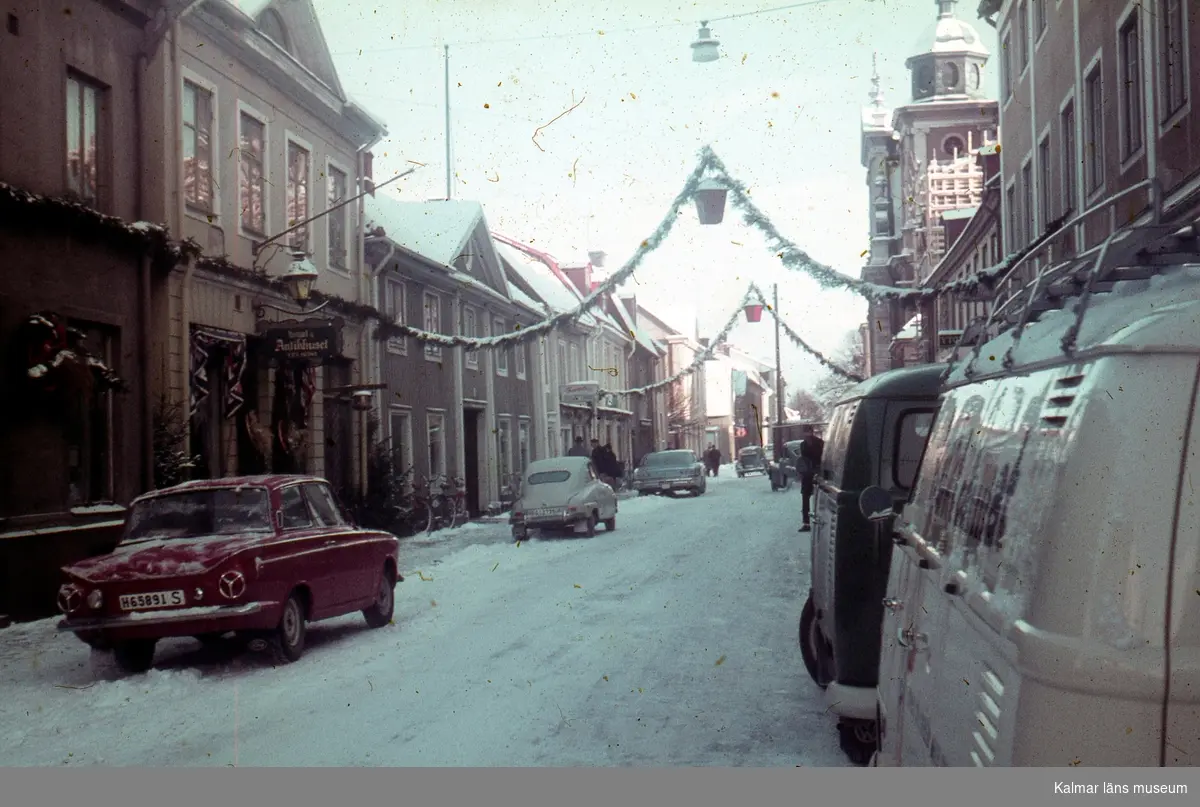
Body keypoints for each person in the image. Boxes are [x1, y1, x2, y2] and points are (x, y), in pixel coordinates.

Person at [797, 425, 825, 533]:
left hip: (817, 473)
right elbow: (804, 459)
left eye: (808, 432)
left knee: (819, 499)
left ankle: (817, 521)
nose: (807, 435)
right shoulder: (803, 445)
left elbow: (821, 457)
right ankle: (806, 523)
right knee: (806, 499)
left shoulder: (819, 443)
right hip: (808, 474)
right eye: (805, 433)